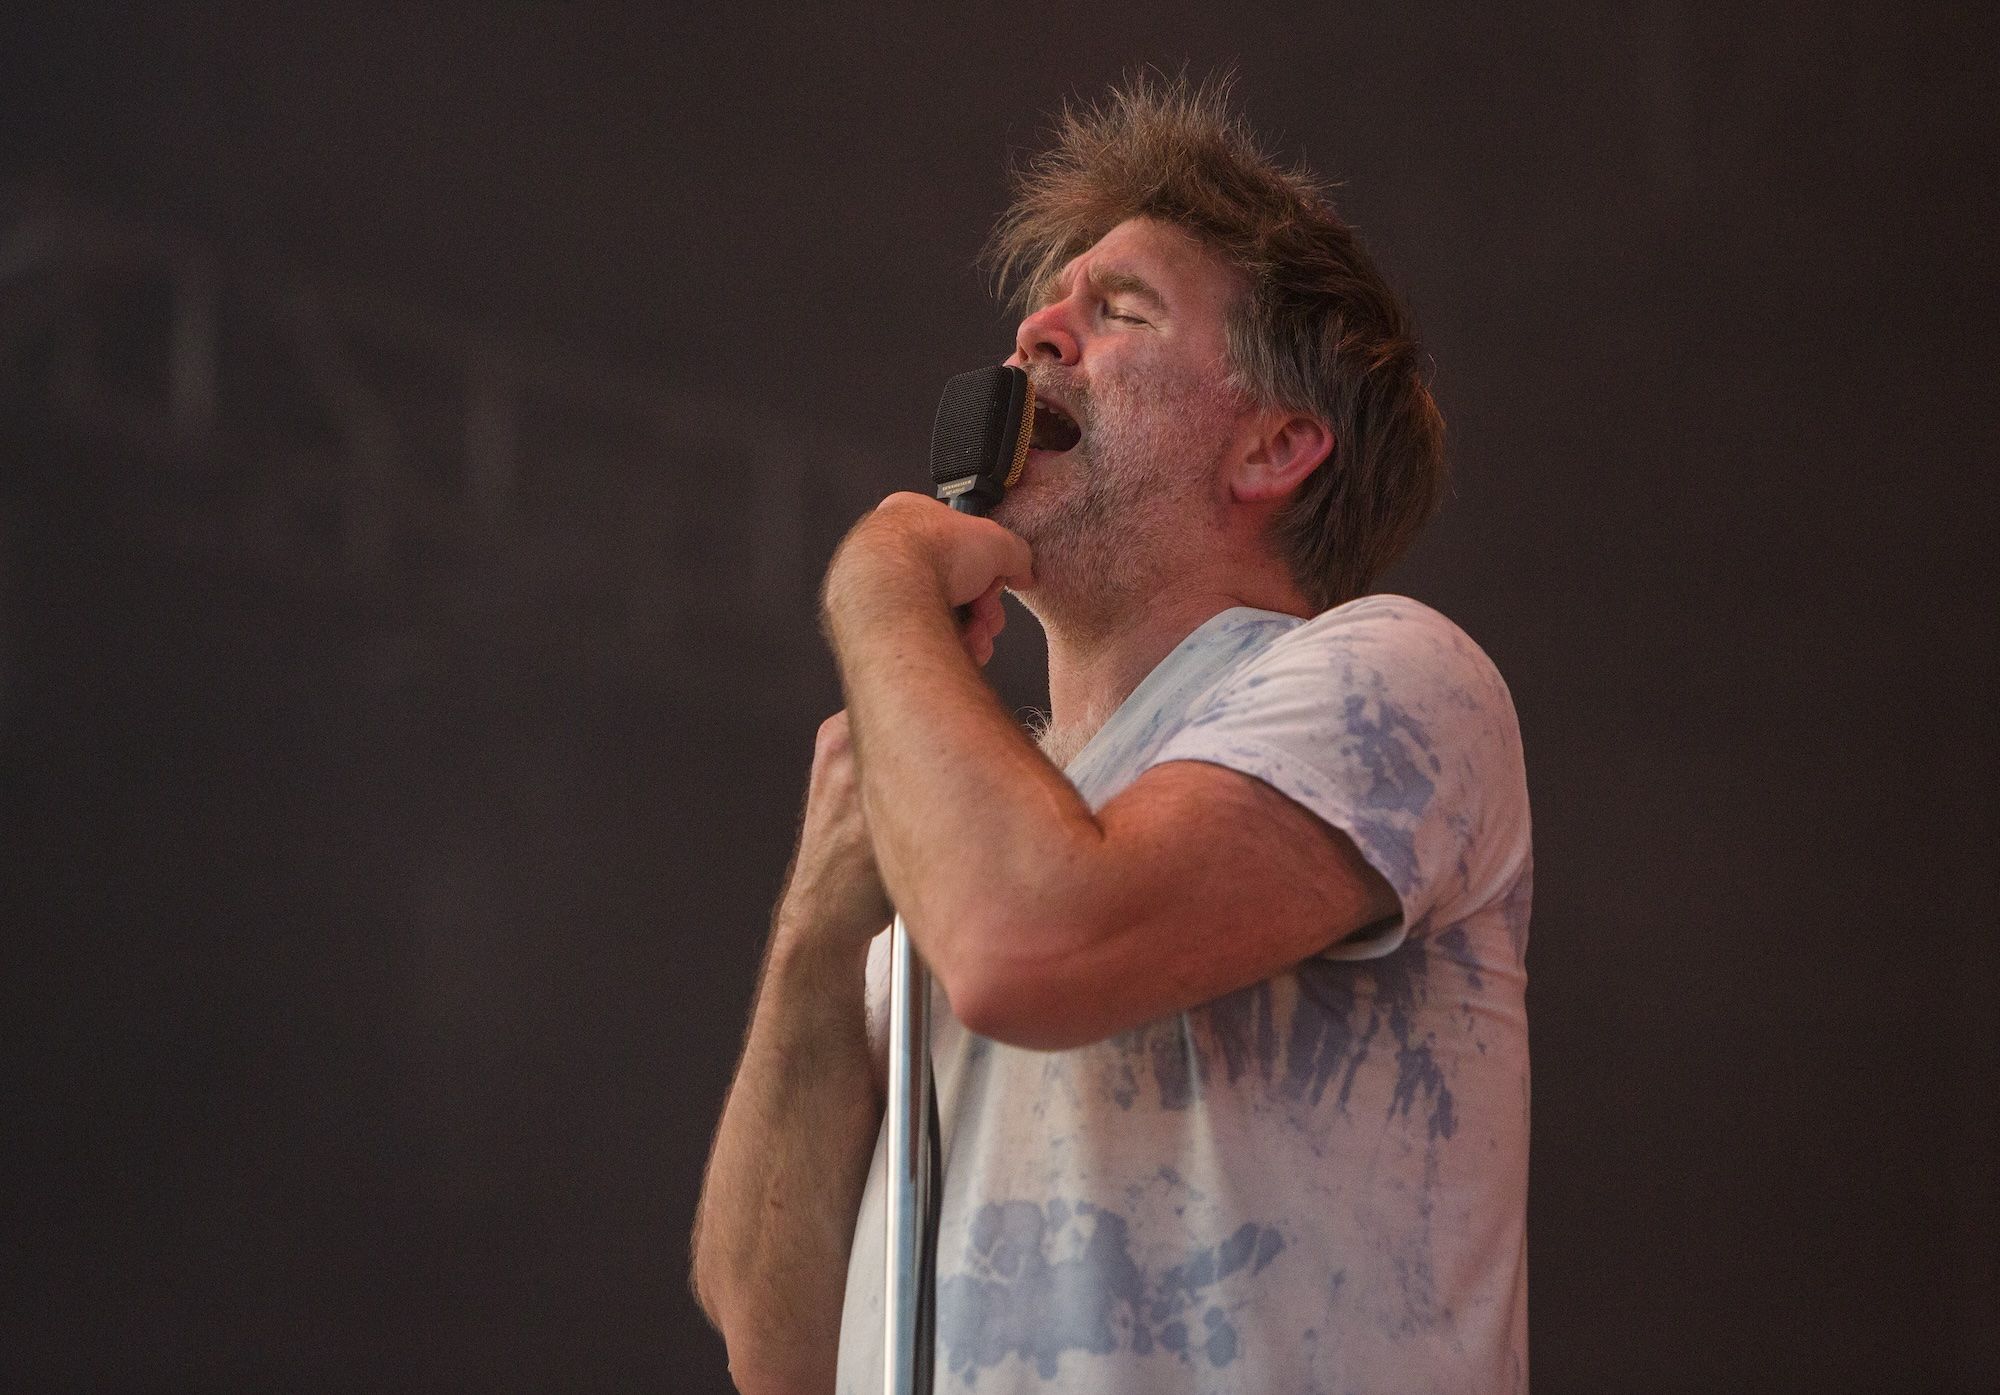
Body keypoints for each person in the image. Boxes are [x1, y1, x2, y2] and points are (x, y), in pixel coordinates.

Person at [691, 75, 1532, 1395]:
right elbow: (771, 1343)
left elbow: (1036, 948)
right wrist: (818, 927)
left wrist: (874, 584)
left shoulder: (1395, 677)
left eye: (1121, 310)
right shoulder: (965, 829)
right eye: (1052, 302)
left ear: (1275, 445)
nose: (1039, 331)